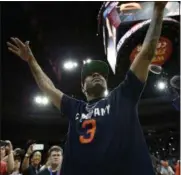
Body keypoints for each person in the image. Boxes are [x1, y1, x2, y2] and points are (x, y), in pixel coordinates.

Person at [7, 2, 167, 175]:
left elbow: (147, 53)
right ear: (83, 88)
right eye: (91, 75)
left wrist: (158, 11)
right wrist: (31, 60)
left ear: (107, 84)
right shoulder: (75, 107)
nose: (97, 75)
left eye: (101, 74)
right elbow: (48, 87)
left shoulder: (123, 96)